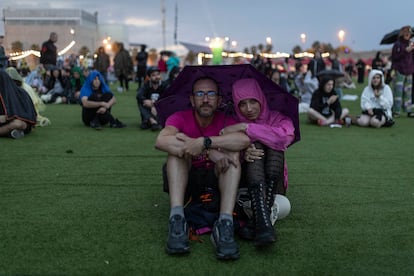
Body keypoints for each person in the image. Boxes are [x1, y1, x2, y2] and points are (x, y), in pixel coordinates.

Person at [154, 77, 250, 260]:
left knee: (232, 156)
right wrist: (206, 152)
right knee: (176, 154)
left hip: (217, 179)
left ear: (219, 100)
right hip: (186, 179)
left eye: (211, 94)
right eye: (200, 94)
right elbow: (161, 141)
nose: (205, 99)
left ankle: (225, 223)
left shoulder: (227, 120)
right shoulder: (179, 117)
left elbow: (244, 140)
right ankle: (177, 219)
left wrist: (204, 143)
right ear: (192, 99)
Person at [221, 78, 295, 247]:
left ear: (261, 98)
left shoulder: (278, 118)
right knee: (256, 145)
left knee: (273, 143)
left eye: (253, 101)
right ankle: (264, 222)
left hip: (273, 182)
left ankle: (255, 220)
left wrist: (246, 128)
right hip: (245, 183)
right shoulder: (231, 122)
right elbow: (222, 148)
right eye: (242, 104)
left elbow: (284, 138)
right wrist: (242, 152)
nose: (248, 109)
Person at [0, 70, 36, 139]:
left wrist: (7, 117)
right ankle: (9, 133)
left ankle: (8, 132)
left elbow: (27, 118)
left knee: (18, 124)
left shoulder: (21, 93)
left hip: (14, 122)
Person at [391, 25, 414, 118]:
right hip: (400, 70)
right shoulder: (397, 44)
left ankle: (409, 111)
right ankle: (396, 111)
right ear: (402, 34)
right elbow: (395, 58)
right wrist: (405, 51)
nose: (407, 35)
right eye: (405, 33)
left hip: (409, 71)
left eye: (409, 33)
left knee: (408, 92)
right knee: (398, 92)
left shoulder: (411, 44)